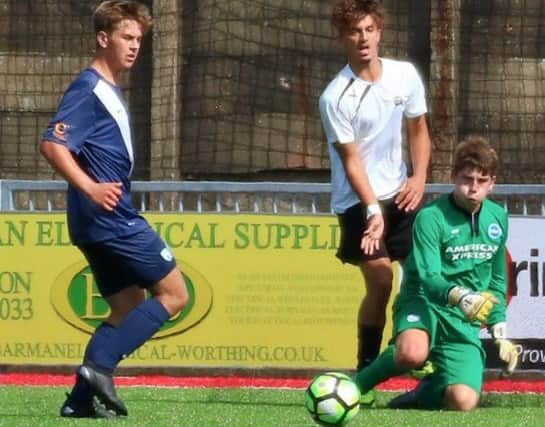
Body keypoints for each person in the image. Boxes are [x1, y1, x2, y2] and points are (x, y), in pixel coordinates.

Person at [40, 1, 189, 418]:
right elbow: (52, 143)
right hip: (111, 219)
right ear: (103, 38)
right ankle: (99, 366)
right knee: (176, 294)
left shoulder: (108, 88)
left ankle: (79, 402)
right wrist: (88, 186)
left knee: (127, 304)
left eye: (139, 39)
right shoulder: (88, 89)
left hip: (95, 222)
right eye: (127, 37)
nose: (134, 46)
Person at [353, 135, 519, 410]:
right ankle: (354, 387)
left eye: (481, 181)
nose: (472, 188)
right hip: (424, 302)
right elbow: (429, 277)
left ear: (492, 183)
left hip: (461, 319)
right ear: (453, 177)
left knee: (463, 401)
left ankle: (424, 393)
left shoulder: (498, 218)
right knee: (411, 353)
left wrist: (499, 327)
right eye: (466, 179)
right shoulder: (431, 217)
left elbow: (498, 279)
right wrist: (461, 295)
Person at [318, 0, 432, 384]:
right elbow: (351, 160)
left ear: (380, 32)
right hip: (357, 201)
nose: (363, 38)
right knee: (382, 280)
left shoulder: (404, 76)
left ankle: (421, 353)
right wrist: (372, 210)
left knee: (424, 274)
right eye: (354, 31)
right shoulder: (335, 96)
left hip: (402, 193)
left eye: (369, 29)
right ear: (342, 37)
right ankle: (366, 368)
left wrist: (418, 180)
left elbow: (419, 131)